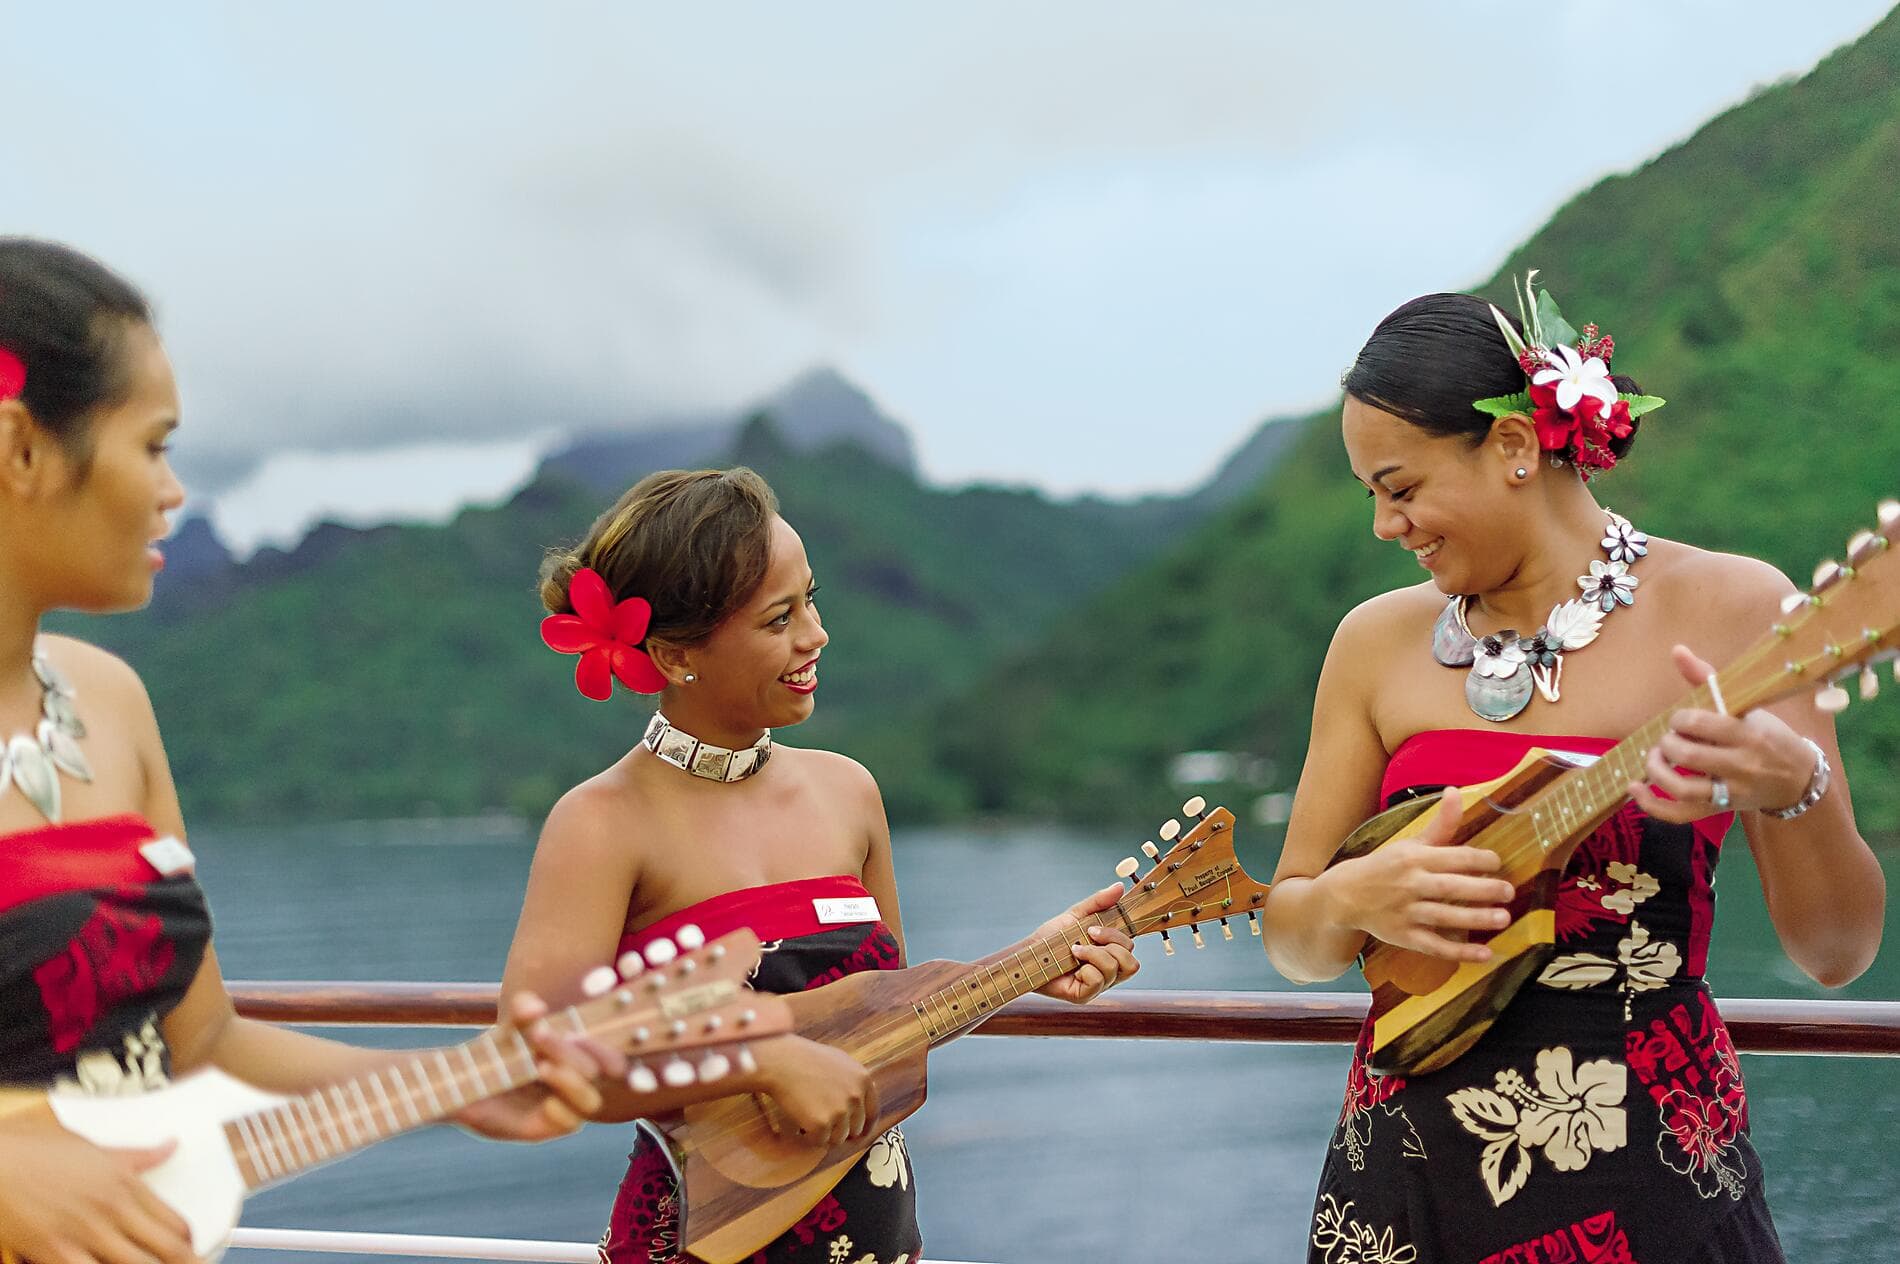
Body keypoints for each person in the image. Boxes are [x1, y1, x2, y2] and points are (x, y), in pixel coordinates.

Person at [0, 238, 808, 1264]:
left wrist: (457, 1087)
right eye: (154, 445)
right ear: (20, 447)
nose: (174, 491)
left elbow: (203, 1041)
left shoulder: (112, 705)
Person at [1260, 283, 1884, 1263]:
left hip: (1651, 1185)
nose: (1385, 524)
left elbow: (1836, 952)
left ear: (1514, 446)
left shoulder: (1734, 610)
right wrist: (1352, 896)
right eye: (1371, 495)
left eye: (1401, 488)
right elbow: (1292, 935)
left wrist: (1791, 788)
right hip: (1400, 1189)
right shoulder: (1372, 644)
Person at [503, 466, 1140, 1264]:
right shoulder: (602, 823)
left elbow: (882, 1026)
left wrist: (1031, 962)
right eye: (780, 618)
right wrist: (766, 1061)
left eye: (811, 601)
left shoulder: (849, 793)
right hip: (699, 1241)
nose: (816, 635)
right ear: (673, 654)